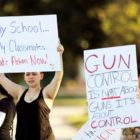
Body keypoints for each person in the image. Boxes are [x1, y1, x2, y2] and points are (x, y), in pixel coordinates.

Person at [0, 42, 64, 140]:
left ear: (41, 76)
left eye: (34, 74)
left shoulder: (46, 93)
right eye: (28, 74)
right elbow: (1, 77)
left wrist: (59, 55)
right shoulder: (20, 91)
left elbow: (58, 76)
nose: (30, 77)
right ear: (24, 77)